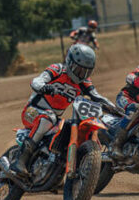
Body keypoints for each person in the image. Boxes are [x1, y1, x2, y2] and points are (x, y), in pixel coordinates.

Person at [10, 44, 117, 175]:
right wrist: (45, 87)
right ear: (70, 62)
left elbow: (97, 97)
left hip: (53, 118)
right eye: (79, 69)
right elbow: (36, 81)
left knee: (65, 129)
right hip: (33, 111)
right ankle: (20, 161)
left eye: (86, 71)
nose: (81, 74)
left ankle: (56, 170)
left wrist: (115, 109)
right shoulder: (57, 70)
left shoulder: (84, 82)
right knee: (47, 119)